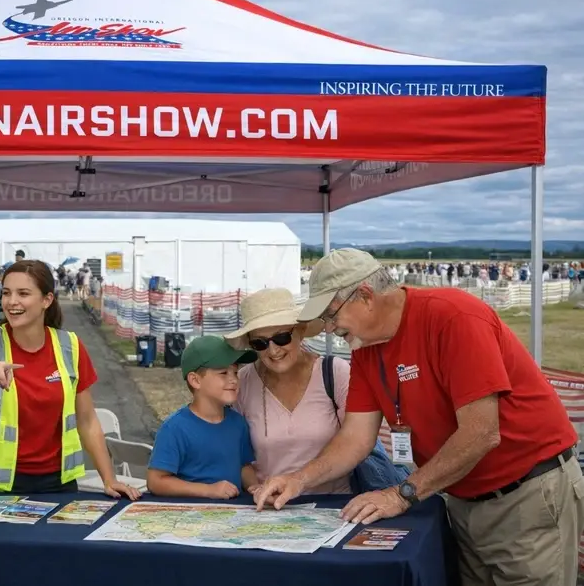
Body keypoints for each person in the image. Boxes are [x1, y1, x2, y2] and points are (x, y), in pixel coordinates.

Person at [257, 248, 584, 586]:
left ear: (365, 297)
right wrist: (299, 479)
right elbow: (355, 437)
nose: (327, 328)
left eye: (330, 314)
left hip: (526, 494)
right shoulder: (366, 348)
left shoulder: (454, 316)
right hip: (460, 498)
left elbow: (482, 431)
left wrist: (401, 494)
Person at [0, 259, 140, 499]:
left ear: (46, 300)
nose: (12, 302)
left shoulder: (70, 346)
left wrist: (109, 479)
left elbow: (88, 421)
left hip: (58, 484)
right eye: (6, 293)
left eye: (23, 293)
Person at [223, 289, 350, 494]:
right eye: (260, 343)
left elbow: (356, 441)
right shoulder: (242, 382)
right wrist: (255, 488)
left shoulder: (336, 373)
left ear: (300, 331)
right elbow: (235, 452)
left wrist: (299, 480)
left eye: (282, 338)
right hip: (269, 507)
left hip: (332, 506)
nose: (273, 350)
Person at [146, 336, 259, 498]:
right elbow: (156, 481)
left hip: (233, 515)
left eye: (235, 372)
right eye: (223, 373)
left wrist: (255, 487)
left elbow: (243, 466)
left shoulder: (238, 423)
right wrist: (209, 490)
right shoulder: (174, 428)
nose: (234, 379)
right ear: (195, 380)